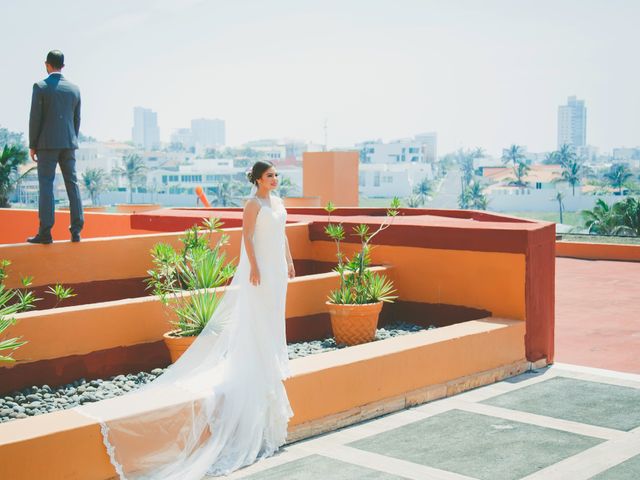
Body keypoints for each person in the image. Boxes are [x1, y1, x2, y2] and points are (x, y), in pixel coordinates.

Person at [76, 160, 296, 478]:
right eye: (270, 175)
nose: (275, 179)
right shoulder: (252, 204)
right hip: (260, 272)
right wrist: (257, 267)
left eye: (276, 175)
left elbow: (283, 235)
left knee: (274, 320)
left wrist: (287, 261)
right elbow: (247, 238)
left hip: (278, 272)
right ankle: (258, 365)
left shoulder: (278, 202)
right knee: (258, 321)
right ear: (258, 180)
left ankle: (269, 363)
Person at [27, 49, 83, 244]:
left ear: (47, 64)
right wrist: (70, 139)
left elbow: (35, 118)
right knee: (72, 184)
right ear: (63, 66)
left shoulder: (40, 87)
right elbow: (77, 120)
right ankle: (76, 231)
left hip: (46, 144)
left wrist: (33, 145)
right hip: (68, 143)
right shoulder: (74, 89)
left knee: (46, 186)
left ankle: (45, 233)